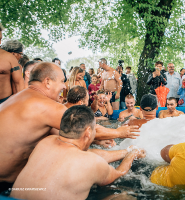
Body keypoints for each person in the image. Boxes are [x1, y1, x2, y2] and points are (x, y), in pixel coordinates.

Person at [0, 63, 140, 193]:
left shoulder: (19, 98)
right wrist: (118, 132)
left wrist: (95, 140)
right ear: (47, 82)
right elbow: (85, 128)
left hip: (15, 187)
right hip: (4, 185)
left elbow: (66, 134)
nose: (64, 87)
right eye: (62, 81)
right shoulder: (44, 105)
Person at [10, 106, 146, 200]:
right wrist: (132, 155)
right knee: (125, 196)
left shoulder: (46, 142)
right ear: (87, 132)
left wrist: (125, 151)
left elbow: (86, 155)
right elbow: (118, 173)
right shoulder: (90, 162)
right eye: (94, 130)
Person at [0, 25, 24, 104]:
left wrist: (19, 104)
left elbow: (19, 82)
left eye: (0, 39)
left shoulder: (9, 57)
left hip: (4, 103)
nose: (0, 42)